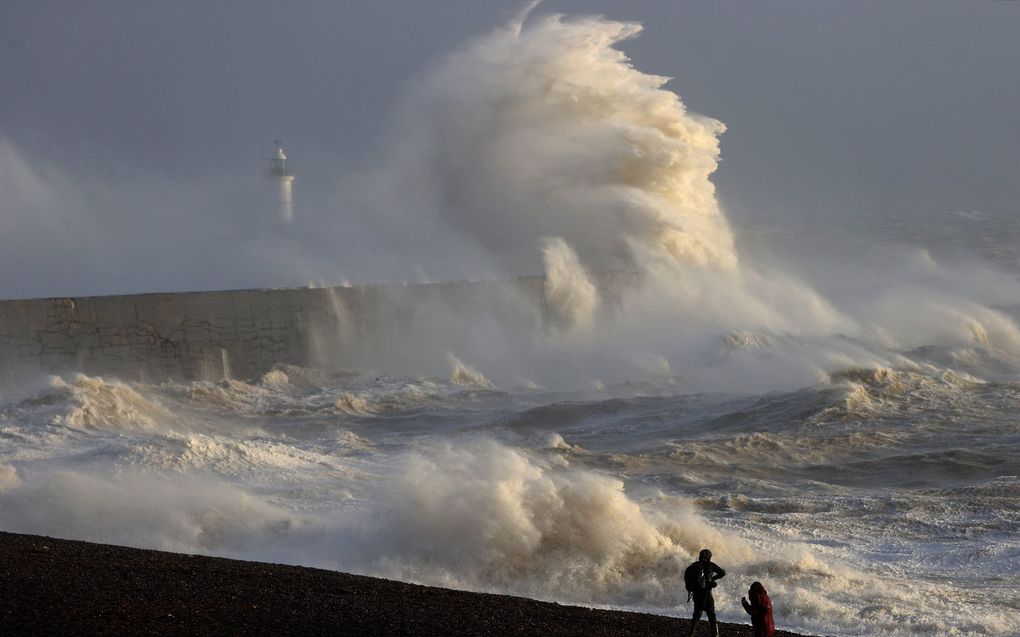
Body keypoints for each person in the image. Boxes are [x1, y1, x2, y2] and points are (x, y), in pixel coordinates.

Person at [685, 548, 726, 637]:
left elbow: (688, 586)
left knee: (696, 614)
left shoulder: (692, 567)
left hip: (697, 595)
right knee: (711, 615)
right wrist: (712, 579)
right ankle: (715, 634)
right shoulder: (711, 565)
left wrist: (692, 589)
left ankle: (691, 633)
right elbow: (723, 573)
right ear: (709, 557)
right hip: (707, 595)